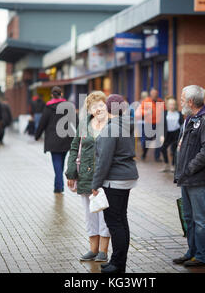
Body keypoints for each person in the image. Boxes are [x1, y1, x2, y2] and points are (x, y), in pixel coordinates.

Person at [173, 85, 205, 267]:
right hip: (187, 177)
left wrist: (190, 167)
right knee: (189, 218)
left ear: (191, 102)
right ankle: (192, 252)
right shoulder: (191, 118)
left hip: (197, 177)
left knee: (200, 219)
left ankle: (202, 256)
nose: (181, 102)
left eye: (183, 99)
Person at [91, 94, 139, 273]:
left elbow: (104, 160)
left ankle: (118, 264)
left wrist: (95, 184)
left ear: (109, 109)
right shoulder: (126, 125)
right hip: (126, 178)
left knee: (114, 222)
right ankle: (118, 261)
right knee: (121, 220)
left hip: (115, 180)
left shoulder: (111, 129)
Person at [65, 91, 111, 263]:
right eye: (94, 106)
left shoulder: (111, 125)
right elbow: (74, 147)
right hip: (85, 175)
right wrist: (71, 172)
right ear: (90, 110)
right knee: (89, 213)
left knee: (104, 214)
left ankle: (103, 251)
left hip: (105, 176)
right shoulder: (84, 124)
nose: (98, 108)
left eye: (101, 104)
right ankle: (92, 249)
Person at [35, 86, 75, 194]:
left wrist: (37, 135)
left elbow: (42, 123)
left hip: (53, 140)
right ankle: (58, 185)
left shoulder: (48, 107)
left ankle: (59, 187)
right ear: (61, 94)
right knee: (61, 163)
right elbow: (75, 121)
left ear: (52, 95)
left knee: (57, 163)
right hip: (66, 139)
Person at [135, 88, 165, 161]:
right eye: (153, 93)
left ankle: (157, 157)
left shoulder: (160, 101)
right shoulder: (146, 101)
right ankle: (144, 154)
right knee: (146, 141)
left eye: (156, 93)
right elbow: (139, 112)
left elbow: (164, 111)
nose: (154, 95)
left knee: (158, 141)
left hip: (158, 124)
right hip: (148, 124)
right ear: (150, 94)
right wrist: (147, 112)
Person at [159, 96, 183, 173]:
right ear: (167, 105)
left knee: (175, 150)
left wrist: (182, 136)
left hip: (176, 133)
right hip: (167, 134)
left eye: (173, 104)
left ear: (175, 105)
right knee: (162, 148)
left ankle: (173, 165)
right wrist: (161, 135)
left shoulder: (179, 113)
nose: (172, 106)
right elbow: (161, 125)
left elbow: (182, 125)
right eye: (170, 104)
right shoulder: (165, 113)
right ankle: (166, 164)